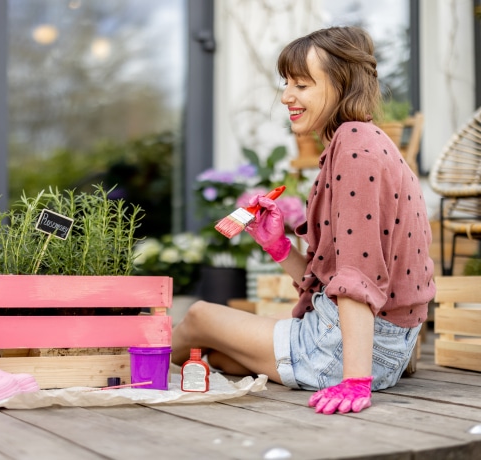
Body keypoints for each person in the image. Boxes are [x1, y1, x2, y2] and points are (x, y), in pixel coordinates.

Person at [172, 26, 436, 415]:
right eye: (287, 83)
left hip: (347, 350)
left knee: (198, 317)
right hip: (379, 346)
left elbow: (355, 279)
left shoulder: (355, 148)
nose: (287, 96)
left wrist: (355, 381)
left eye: (302, 84)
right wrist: (277, 245)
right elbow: (335, 279)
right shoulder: (368, 140)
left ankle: (121, 366)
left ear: (342, 83)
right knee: (222, 356)